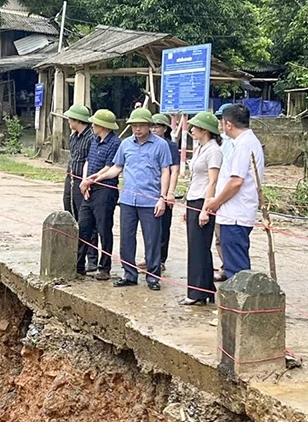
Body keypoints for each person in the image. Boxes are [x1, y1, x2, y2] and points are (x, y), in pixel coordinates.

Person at [83, 108, 171, 291]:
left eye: (141, 126)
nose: (137, 129)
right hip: (128, 199)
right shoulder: (126, 145)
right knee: (126, 239)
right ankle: (129, 274)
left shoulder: (161, 145)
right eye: (134, 126)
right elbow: (117, 167)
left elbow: (165, 171)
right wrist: (99, 177)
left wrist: (162, 197)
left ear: (148, 126)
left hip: (150, 200)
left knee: (152, 240)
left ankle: (153, 277)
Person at [204, 104, 264, 278]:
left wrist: (215, 202)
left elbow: (236, 182)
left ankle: (237, 304)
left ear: (228, 124)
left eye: (222, 122)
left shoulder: (244, 145)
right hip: (235, 212)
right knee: (233, 263)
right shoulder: (245, 142)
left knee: (236, 269)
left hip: (236, 214)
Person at [180, 112, 223, 305]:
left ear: (205, 130)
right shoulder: (200, 149)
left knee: (199, 248)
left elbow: (212, 181)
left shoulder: (213, 151)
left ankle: (196, 293)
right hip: (193, 199)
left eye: (195, 127)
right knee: (196, 247)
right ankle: (205, 289)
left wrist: (206, 208)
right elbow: (195, 179)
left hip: (203, 201)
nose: (192, 130)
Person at [76, 109, 121, 280]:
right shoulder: (94, 140)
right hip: (89, 188)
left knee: (104, 229)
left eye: (95, 123)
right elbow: (89, 161)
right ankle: (79, 264)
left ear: (102, 126)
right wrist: (85, 180)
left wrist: (90, 181)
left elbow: (109, 167)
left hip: (105, 189)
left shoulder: (115, 143)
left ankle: (104, 267)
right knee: (84, 226)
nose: (92, 126)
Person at [62, 104, 98, 271]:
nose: (69, 121)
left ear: (77, 120)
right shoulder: (73, 136)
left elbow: (90, 161)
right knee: (70, 214)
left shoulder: (91, 138)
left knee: (86, 220)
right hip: (70, 178)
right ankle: (74, 252)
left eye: (70, 118)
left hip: (82, 181)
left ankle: (91, 258)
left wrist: (87, 181)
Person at [150, 113, 180, 272]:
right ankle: (150, 257)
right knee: (150, 227)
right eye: (152, 126)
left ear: (165, 128)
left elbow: (174, 170)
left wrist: (170, 192)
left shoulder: (170, 146)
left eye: (157, 126)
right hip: (150, 190)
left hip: (165, 190)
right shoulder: (148, 144)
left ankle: (161, 259)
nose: (154, 129)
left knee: (163, 227)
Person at [212, 103, 233, 282]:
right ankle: (225, 266)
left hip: (227, 196)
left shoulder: (235, 143)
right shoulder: (221, 142)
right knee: (219, 237)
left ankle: (229, 269)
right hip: (218, 192)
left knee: (227, 237)